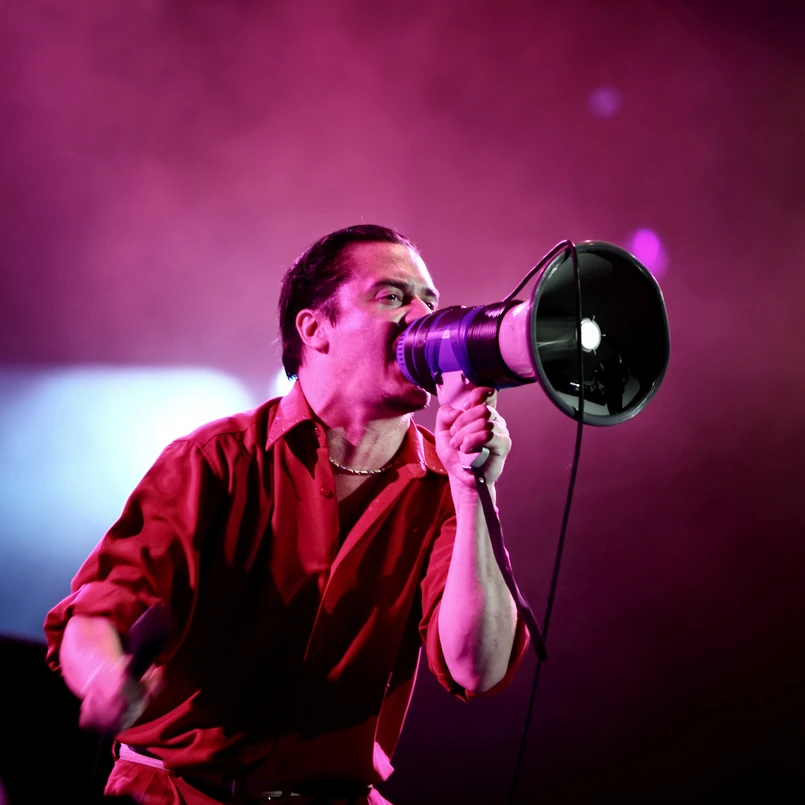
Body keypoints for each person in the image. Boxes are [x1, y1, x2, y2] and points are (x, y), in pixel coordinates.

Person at [43, 224, 530, 804]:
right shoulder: (215, 460)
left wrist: (474, 489)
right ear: (315, 328)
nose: (423, 316)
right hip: (177, 793)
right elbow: (97, 612)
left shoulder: (445, 484)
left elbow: (477, 667)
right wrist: (104, 678)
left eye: (429, 299)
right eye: (392, 296)